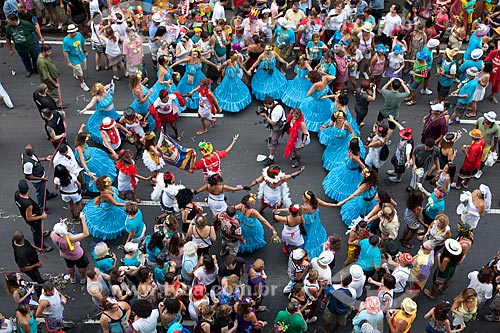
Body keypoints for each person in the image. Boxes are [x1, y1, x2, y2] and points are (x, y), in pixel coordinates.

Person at [82, 176, 127, 240]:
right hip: (109, 208)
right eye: (108, 181)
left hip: (112, 206)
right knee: (107, 223)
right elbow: (116, 204)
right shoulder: (106, 194)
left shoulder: (105, 187)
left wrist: (93, 176)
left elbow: (97, 180)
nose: (110, 181)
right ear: (106, 184)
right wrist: (127, 204)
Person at [50, 215, 90, 284]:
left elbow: (57, 231)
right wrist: (83, 219)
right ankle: (83, 278)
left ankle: (72, 278)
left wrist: (61, 225)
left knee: (70, 266)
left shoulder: (53, 235)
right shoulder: (70, 238)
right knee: (81, 266)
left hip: (65, 255)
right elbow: (85, 234)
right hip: (77, 255)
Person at [14, 179, 51, 251]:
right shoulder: (28, 205)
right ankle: (40, 245)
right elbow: (29, 218)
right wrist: (41, 216)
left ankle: (41, 235)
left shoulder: (17, 194)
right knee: (36, 231)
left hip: (25, 214)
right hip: (34, 220)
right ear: (28, 189)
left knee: (37, 230)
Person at [22, 144, 57, 212]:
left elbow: (36, 160)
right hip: (37, 180)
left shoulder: (31, 155)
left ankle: (47, 195)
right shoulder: (28, 164)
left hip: (41, 176)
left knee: (42, 187)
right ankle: (41, 208)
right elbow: (28, 176)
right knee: (40, 192)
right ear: (30, 152)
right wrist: (41, 179)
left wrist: (45, 158)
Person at [5, 14, 40, 78]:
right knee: (25, 59)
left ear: (14, 21)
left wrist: (40, 37)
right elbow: (8, 39)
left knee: (35, 57)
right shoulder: (8, 27)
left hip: (31, 45)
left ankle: (36, 69)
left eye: (9, 21)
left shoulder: (26, 24)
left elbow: (35, 29)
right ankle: (29, 70)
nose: (7, 21)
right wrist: (10, 49)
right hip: (20, 47)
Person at [258, 96, 287, 166]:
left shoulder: (276, 111)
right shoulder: (273, 104)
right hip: (276, 124)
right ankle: (275, 141)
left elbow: (273, 123)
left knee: (272, 141)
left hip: (278, 126)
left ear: (271, 104)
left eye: (266, 106)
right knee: (272, 135)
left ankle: (271, 158)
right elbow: (266, 110)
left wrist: (265, 116)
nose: (266, 107)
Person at [62, 24, 90, 92]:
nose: (73, 34)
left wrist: (85, 51)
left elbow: (83, 43)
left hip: (81, 55)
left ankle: (76, 73)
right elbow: (65, 52)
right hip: (73, 58)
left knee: (83, 68)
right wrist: (68, 62)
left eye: (74, 32)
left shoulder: (79, 35)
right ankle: (82, 83)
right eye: (71, 32)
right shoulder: (66, 40)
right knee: (80, 73)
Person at [473, 111, 500, 178]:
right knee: (473, 156)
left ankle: (480, 170)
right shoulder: (480, 119)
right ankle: (473, 167)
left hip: (486, 145)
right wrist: (474, 135)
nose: (485, 121)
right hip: (476, 142)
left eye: (488, 120)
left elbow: (496, 138)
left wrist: (494, 147)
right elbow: (475, 126)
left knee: (483, 159)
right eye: (485, 119)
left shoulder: (496, 128)